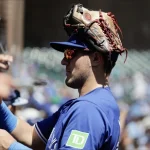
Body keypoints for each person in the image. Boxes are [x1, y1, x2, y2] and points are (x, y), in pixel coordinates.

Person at [0, 4, 127, 150]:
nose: (64, 61)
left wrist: (10, 147)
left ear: (96, 58)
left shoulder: (88, 109)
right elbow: (32, 136)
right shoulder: (92, 103)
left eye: (70, 53)